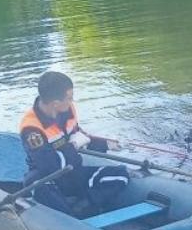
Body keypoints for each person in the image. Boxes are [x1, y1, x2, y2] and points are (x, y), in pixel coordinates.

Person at [19, 71, 128, 216]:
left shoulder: (67, 111)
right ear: (56, 104)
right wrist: (74, 146)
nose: (72, 101)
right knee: (45, 192)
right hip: (48, 179)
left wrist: (107, 144)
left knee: (120, 174)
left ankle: (85, 207)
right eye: (69, 98)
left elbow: (79, 136)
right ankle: (72, 217)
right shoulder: (32, 129)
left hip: (73, 173)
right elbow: (50, 166)